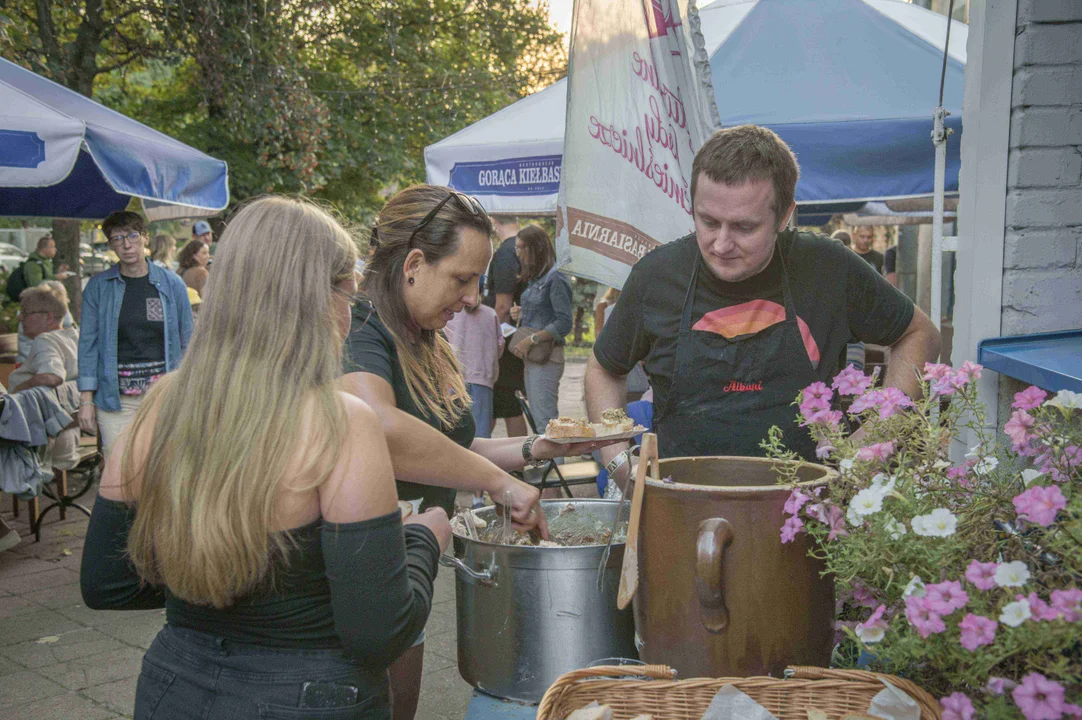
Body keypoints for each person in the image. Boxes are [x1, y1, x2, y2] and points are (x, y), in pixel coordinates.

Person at [80, 196, 446, 720]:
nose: (351, 313)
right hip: (310, 696)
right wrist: (423, 540)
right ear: (318, 299)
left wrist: (211, 582)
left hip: (174, 688)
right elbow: (379, 632)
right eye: (348, 293)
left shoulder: (161, 406)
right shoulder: (338, 423)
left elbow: (106, 583)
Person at [342, 185, 620, 720]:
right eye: (463, 278)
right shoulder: (358, 327)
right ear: (414, 264)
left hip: (408, 568)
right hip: (361, 579)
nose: (473, 298)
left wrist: (537, 448)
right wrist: (500, 484)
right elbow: (378, 429)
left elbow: (447, 448)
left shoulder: (424, 333)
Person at [586, 125, 941, 481]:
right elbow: (604, 368)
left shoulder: (828, 268)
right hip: (683, 506)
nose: (720, 244)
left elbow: (919, 333)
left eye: (744, 228)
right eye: (707, 221)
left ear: (785, 216)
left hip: (807, 510)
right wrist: (618, 463)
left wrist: (877, 437)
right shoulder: (657, 276)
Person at [78, 211, 193, 456]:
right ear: (111, 245)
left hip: (163, 398)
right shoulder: (98, 288)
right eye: (117, 239)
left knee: (161, 470)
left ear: (145, 238)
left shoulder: (172, 285)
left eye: (132, 235)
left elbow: (189, 342)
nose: (126, 245)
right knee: (117, 474)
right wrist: (86, 400)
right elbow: (88, 344)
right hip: (114, 400)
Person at [444, 281, 504, 508]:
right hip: (482, 381)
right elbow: (499, 346)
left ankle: (449, 490)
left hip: (453, 381)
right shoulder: (491, 315)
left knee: (451, 436)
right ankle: (479, 496)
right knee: (481, 437)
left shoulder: (451, 313)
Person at [508, 225, 572, 433]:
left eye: (521, 247)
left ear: (536, 248)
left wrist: (531, 339)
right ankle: (547, 463)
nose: (518, 253)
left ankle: (557, 464)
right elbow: (544, 313)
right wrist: (522, 313)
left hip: (547, 357)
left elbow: (564, 322)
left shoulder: (556, 278)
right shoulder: (538, 277)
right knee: (537, 416)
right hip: (534, 357)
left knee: (546, 419)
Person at [483, 215, 529, 438]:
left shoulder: (505, 253)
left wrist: (493, 340)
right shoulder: (520, 249)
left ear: (493, 220)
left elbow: (502, 305)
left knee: (507, 404)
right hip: (515, 337)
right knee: (504, 404)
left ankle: (517, 465)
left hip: (505, 341)